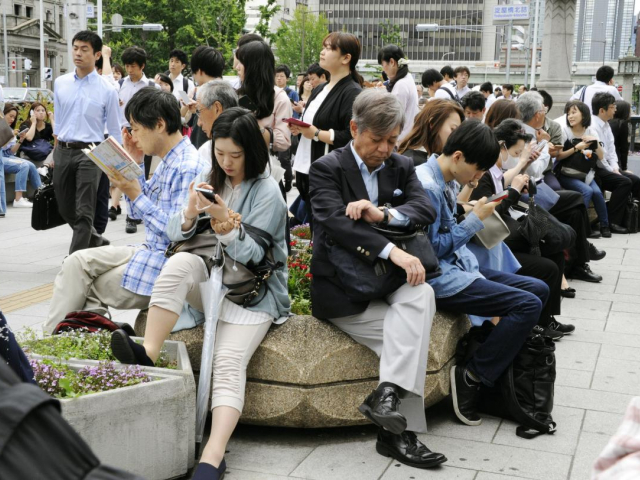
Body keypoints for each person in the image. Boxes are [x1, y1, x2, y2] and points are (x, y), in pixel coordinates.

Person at [111, 108, 290, 480]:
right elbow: (178, 234)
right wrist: (192, 212)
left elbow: (255, 256)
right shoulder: (210, 178)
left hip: (253, 294)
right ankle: (148, 352)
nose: (226, 162)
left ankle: (213, 453)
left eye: (235, 156)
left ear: (251, 153)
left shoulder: (267, 190)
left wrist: (226, 224)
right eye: (220, 153)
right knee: (177, 265)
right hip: (213, 282)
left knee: (227, 363)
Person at [309, 88, 446, 469]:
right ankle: (398, 434)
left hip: (390, 286)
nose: (387, 149)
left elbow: (424, 209)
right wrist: (395, 251)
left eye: (393, 140)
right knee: (413, 338)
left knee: (421, 297)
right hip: (344, 294)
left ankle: (387, 403)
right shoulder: (327, 169)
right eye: (378, 139)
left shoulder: (401, 166)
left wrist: (382, 214)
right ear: (354, 129)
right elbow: (337, 226)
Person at [415, 119, 549, 426]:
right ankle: (473, 376)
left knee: (538, 289)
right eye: (477, 170)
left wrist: (470, 208)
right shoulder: (428, 186)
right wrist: (475, 219)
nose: (477, 177)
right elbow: (433, 252)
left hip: (459, 269)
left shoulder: (444, 178)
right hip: (441, 278)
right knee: (527, 304)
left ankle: (483, 353)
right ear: (459, 156)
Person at [44, 87, 207, 334]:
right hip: (148, 251)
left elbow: (176, 233)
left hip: (165, 262)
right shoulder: (171, 159)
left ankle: (53, 347)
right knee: (75, 263)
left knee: (85, 285)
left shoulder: (187, 166)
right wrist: (135, 162)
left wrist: (134, 193)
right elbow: (140, 212)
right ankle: (68, 343)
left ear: (160, 125)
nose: (133, 135)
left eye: (136, 128)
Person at [471, 119, 574, 336]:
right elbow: (489, 213)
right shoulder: (482, 174)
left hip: (503, 236)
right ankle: (537, 323)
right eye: (516, 152)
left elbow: (498, 201)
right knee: (548, 267)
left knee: (554, 252)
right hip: (494, 242)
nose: (516, 157)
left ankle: (547, 319)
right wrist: (514, 191)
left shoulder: (494, 172)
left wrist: (518, 180)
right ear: (501, 146)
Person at [53, 30, 121, 253]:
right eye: (75, 48)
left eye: (84, 49)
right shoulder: (60, 83)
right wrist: (53, 154)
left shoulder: (107, 89)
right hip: (63, 150)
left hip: (91, 154)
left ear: (97, 54)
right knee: (63, 206)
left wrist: (116, 168)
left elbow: (113, 130)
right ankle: (94, 238)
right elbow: (60, 121)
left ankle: (74, 260)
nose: (78, 53)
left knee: (85, 209)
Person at [289, 32, 364, 229]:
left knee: (325, 228)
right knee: (315, 224)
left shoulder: (352, 92)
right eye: (324, 47)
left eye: (330, 48)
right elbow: (312, 124)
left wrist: (314, 133)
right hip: (307, 166)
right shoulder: (320, 89)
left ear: (346, 58)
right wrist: (300, 128)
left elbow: (351, 136)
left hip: (329, 173)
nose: (322, 52)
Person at [555, 99, 622, 237]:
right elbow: (559, 157)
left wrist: (595, 143)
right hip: (567, 173)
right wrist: (576, 148)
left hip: (586, 173)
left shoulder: (591, 130)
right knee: (587, 191)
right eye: (568, 113)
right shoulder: (564, 131)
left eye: (574, 112)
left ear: (584, 115)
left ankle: (604, 225)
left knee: (597, 193)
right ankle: (581, 228)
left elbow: (601, 156)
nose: (570, 116)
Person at [235, 40, 292, 192]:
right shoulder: (236, 94)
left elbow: (283, 141)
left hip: (265, 173)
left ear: (254, 66)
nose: (237, 67)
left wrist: (252, 125)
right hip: (234, 170)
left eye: (241, 62)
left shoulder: (280, 98)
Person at [115, 45, 158, 232]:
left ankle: (139, 210)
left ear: (142, 66)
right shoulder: (119, 85)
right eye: (127, 66)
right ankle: (131, 216)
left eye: (133, 66)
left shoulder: (151, 87)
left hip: (142, 134)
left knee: (140, 173)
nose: (129, 70)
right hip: (123, 133)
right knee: (126, 172)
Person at [590, 92, 636, 230]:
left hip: (608, 167)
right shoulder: (593, 127)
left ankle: (632, 217)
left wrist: (616, 168)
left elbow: (611, 151)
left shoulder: (606, 125)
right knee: (624, 182)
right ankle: (612, 222)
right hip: (596, 169)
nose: (615, 109)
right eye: (612, 106)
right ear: (602, 110)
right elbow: (600, 157)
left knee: (636, 180)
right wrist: (613, 171)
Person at [181, 46, 226, 150]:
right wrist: (195, 110)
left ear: (200, 71)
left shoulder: (208, 93)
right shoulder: (227, 91)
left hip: (207, 152)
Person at [398, 99, 465, 166]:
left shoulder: (431, 158)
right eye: (453, 129)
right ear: (432, 123)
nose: (456, 136)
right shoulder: (416, 162)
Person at [1, 104, 42, 208]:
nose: (12, 119)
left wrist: (20, 140)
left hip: (6, 156)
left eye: (14, 117)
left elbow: (10, 152)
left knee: (31, 165)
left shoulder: (10, 129)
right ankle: (18, 199)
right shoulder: (3, 129)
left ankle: (41, 194)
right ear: (3, 114)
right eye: (10, 116)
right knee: (23, 165)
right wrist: (10, 137)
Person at [377, 45, 418, 142]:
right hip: (406, 138)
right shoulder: (407, 78)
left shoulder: (401, 85)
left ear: (392, 62)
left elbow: (392, 118)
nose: (383, 70)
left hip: (399, 141)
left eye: (383, 65)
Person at [195, 80, 239, 166]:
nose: (199, 123)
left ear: (217, 108)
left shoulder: (207, 152)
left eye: (199, 111)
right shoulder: (254, 143)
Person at [275, 64, 299, 191]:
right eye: (277, 76)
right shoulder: (271, 92)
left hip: (287, 129)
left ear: (287, 78)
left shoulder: (292, 93)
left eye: (282, 76)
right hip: (275, 129)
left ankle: (288, 180)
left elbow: (296, 112)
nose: (279, 78)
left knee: (284, 158)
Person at [18, 101, 54, 167]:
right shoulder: (25, 125)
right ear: (32, 113)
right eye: (38, 110)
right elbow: (29, 138)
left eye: (43, 110)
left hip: (43, 156)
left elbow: (57, 136)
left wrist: (52, 120)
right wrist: (33, 123)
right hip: (28, 156)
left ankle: (45, 168)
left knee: (56, 150)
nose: (41, 112)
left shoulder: (48, 126)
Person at [610, 100, 633, 172]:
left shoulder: (609, 122)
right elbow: (624, 148)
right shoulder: (622, 124)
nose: (630, 113)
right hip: (615, 157)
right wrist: (624, 168)